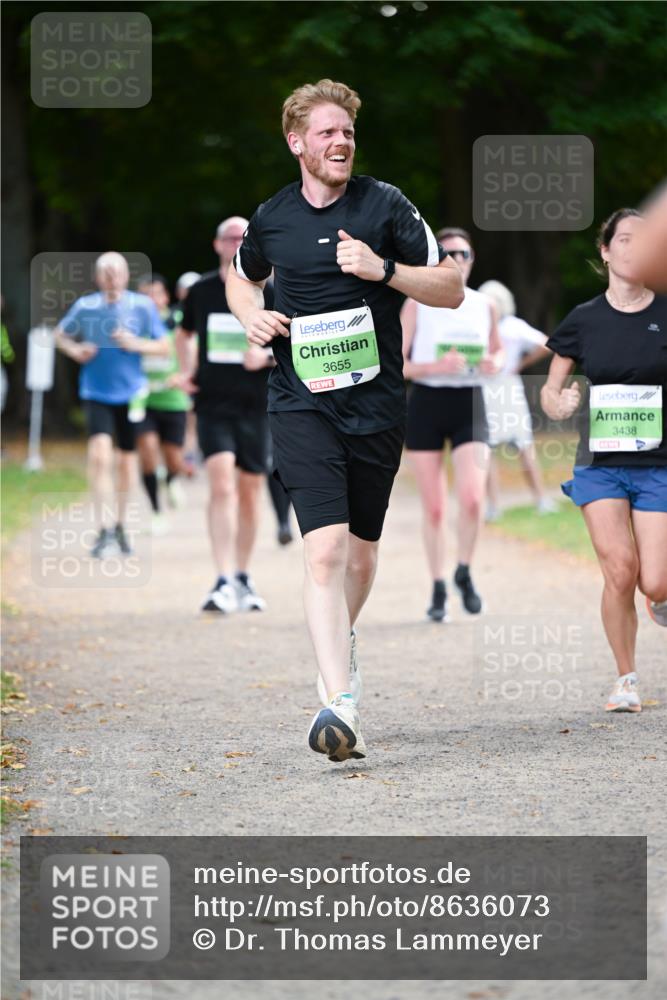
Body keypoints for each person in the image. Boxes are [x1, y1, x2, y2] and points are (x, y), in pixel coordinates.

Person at [226, 79, 464, 762]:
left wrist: (384, 269)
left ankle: (339, 650)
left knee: (359, 554)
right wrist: (250, 314)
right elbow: (242, 276)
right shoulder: (270, 218)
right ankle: (340, 704)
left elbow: (449, 287)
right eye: (327, 132)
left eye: (348, 132)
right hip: (300, 400)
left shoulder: (385, 206)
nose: (341, 142)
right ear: (297, 142)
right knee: (323, 550)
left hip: (378, 406)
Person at [541, 208, 667, 715]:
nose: (635, 249)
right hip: (600, 465)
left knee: (654, 580)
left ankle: (659, 597)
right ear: (606, 250)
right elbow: (551, 389)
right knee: (620, 571)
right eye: (626, 240)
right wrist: (559, 402)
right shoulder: (585, 318)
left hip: (659, 462)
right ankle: (626, 679)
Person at [401, 228, 503, 623]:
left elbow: (497, 352)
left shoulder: (485, 305)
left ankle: (464, 569)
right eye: (451, 253)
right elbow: (399, 364)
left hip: (469, 402)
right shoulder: (417, 303)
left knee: (474, 498)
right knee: (435, 507)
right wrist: (435, 367)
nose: (459, 260)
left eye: (466, 253)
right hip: (427, 401)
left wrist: (494, 362)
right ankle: (437, 585)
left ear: (473, 260)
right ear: (437, 259)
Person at [175, 217, 275, 614]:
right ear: (217, 245)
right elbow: (184, 334)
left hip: (258, 405)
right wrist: (187, 372)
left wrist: (265, 357)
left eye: (243, 237)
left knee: (250, 493)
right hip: (213, 404)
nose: (236, 242)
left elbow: (296, 338)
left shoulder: (268, 288)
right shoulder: (200, 291)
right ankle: (222, 578)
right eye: (230, 237)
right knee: (221, 487)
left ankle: (243, 576)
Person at [54, 252, 168, 557]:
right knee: (99, 457)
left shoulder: (142, 306)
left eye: (116, 271)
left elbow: (164, 346)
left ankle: (119, 526)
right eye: (105, 272)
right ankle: (103, 528)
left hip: (131, 394)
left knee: (125, 462)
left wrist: (136, 344)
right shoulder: (85, 306)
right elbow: (59, 335)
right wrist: (76, 350)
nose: (111, 277)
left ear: (125, 275)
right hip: (95, 391)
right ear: (97, 277)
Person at [477, 279, 555, 521]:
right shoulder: (478, 326)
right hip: (484, 388)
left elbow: (545, 343)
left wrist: (520, 363)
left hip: (508, 387)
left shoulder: (512, 326)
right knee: (487, 448)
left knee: (524, 444)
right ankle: (493, 505)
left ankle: (541, 498)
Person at [135, 273, 190, 532]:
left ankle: (170, 479)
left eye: (155, 294)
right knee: (146, 453)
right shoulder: (132, 326)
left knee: (175, 460)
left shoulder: (178, 322)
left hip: (173, 400)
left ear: (165, 297)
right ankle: (156, 511)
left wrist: (183, 375)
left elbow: (193, 351)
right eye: (144, 295)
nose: (150, 300)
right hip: (143, 400)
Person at [174, 271, 202, 478]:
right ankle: (179, 461)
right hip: (180, 374)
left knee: (191, 420)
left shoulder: (205, 311)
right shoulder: (174, 316)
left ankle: (189, 458)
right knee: (183, 419)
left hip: (200, 374)